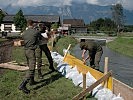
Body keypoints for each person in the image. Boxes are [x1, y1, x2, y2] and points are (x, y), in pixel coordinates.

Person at [18, 20, 40, 94]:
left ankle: (32, 81)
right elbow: (41, 38)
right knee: (32, 68)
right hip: (31, 51)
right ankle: (23, 85)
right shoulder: (36, 32)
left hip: (26, 51)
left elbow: (24, 38)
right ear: (33, 24)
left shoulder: (24, 33)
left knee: (29, 65)